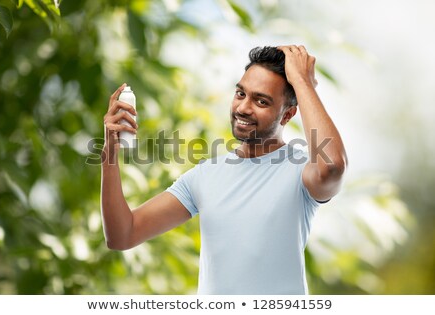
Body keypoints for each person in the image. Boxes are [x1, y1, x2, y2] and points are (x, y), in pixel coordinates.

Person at [101, 45, 347, 294]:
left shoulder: (301, 172)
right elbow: (123, 235)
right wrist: (109, 153)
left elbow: (332, 166)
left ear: (287, 115)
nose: (243, 108)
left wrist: (303, 83)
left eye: (261, 101)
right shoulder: (205, 176)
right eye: (241, 94)